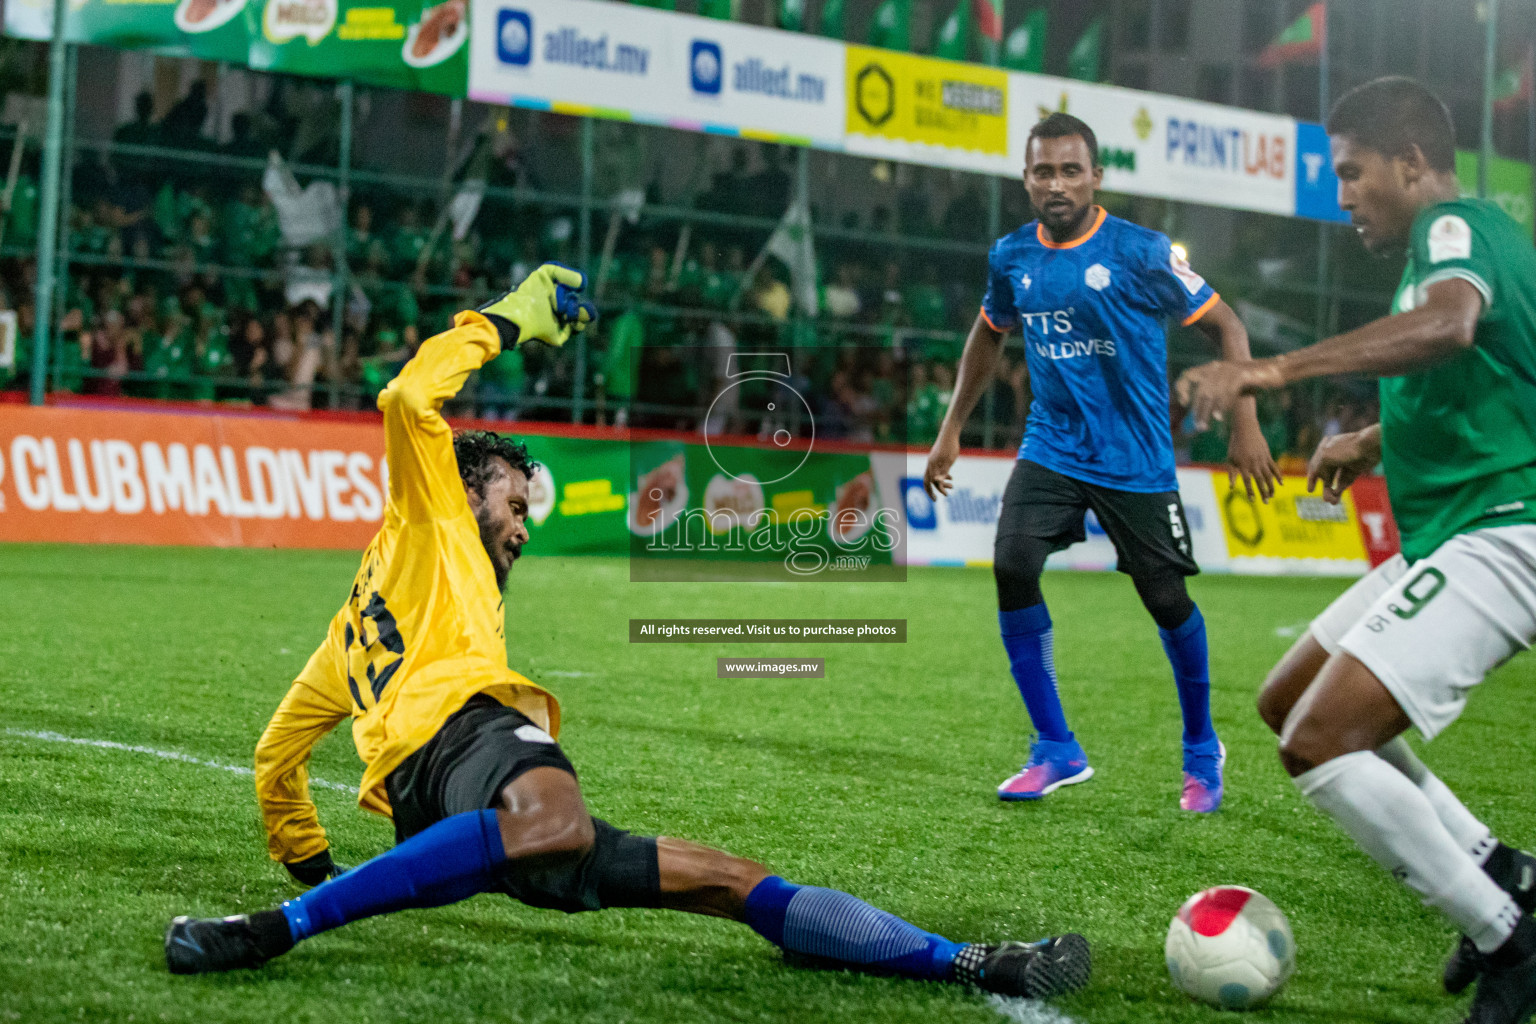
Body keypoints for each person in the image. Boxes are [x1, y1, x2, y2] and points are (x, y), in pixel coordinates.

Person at [163, 264, 1091, 1002]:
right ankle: (278, 930)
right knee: (557, 818)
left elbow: (275, 761)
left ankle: (972, 962)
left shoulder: (348, 638)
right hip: (472, 740)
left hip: (449, 801)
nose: (523, 527)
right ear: (467, 479)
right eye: (515, 502)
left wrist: (314, 857)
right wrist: (516, 313)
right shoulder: (432, 507)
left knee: (730, 880)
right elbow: (410, 402)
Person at [1176, 77, 1536, 1024]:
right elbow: (1490, 360)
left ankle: (1509, 934)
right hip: (1452, 526)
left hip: (1503, 529)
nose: (1342, 196)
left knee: (1321, 742)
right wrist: (1369, 441)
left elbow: (1451, 324)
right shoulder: (1467, 246)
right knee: (1286, 699)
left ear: (1411, 163)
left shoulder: (1454, 233)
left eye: (1352, 172)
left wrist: (1272, 366)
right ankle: (1506, 871)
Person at [923, 113, 1279, 810]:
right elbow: (987, 336)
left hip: (1136, 457)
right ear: (1026, 178)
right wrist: (950, 429)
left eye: (1069, 170)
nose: (1055, 184)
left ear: (1096, 177)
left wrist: (1246, 420)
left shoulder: (1142, 252)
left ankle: (1203, 749)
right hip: (1052, 445)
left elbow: (1227, 324)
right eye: (1042, 172)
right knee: (1012, 563)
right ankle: (1056, 747)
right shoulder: (1012, 257)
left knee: (1166, 600)